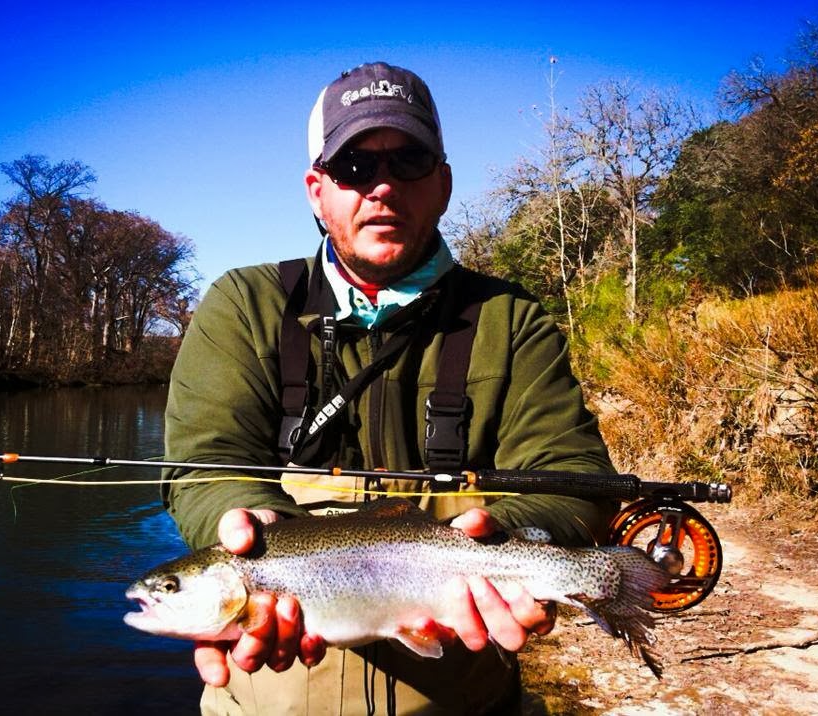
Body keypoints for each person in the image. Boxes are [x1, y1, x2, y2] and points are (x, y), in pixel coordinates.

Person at [162, 61, 618, 715]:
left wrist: (504, 538)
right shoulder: (244, 305)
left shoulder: (509, 320)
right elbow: (202, 468)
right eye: (354, 167)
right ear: (316, 190)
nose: (382, 187)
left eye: (408, 161)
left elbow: (573, 477)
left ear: (444, 183)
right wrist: (238, 520)